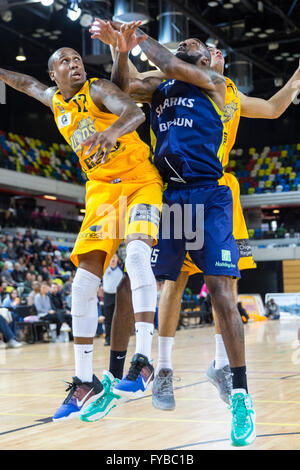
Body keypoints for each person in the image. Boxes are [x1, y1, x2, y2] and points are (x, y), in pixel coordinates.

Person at [89, 20, 300, 415]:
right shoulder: (164, 83)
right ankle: (156, 367)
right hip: (172, 191)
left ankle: (226, 371)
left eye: (210, 48)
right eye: (198, 44)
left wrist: (297, 78)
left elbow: (274, 107)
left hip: (216, 189)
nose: (214, 51)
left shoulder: (224, 88)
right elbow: (129, 83)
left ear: (210, 61)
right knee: (168, 279)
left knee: (225, 285)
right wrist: (120, 48)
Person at [0, 45, 163, 421]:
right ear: (53, 75)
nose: (74, 65)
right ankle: (84, 380)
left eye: (76, 59)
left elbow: (134, 112)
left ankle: (143, 360)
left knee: (137, 256)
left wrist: (112, 134)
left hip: (140, 182)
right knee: (81, 285)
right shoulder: (54, 99)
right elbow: (25, 83)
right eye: (64, 62)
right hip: (102, 191)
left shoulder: (97, 88)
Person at [102, 254, 123, 346]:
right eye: (111, 257)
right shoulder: (105, 269)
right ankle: (108, 339)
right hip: (107, 296)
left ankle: (118, 339)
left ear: (117, 259)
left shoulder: (121, 270)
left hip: (117, 296)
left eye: (114, 257)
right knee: (108, 320)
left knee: (117, 320)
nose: (113, 259)